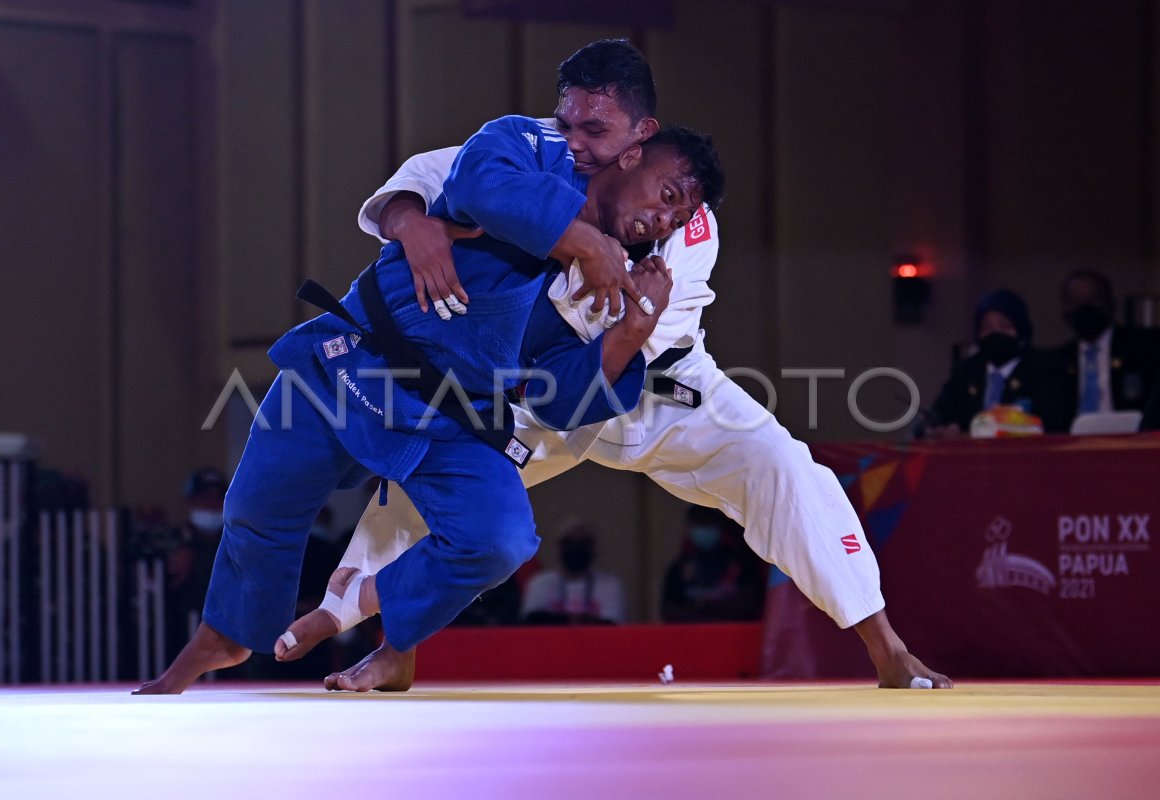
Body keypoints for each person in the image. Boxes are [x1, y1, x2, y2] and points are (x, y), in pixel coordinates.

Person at [285, 39, 951, 693]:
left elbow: (623, 349)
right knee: (424, 486)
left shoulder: (689, 229)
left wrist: (604, 278)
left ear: (637, 141)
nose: (576, 142)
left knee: (782, 464)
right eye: (568, 123)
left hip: (666, 395)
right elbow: (435, 176)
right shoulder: (546, 154)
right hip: (551, 392)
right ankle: (392, 646)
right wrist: (412, 222)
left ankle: (886, 646)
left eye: (595, 129)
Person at [133, 109, 722, 694]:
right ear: (632, 153)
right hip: (356, 357)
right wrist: (415, 220)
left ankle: (394, 632)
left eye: (677, 215)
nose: (660, 219)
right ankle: (227, 631)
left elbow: (563, 402)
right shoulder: (531, 156)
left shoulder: (616, 281)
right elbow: (469, 184)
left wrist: (632, 331)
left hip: (450, 416)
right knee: (259, 503)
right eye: (665, 194)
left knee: (500, 541)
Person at [920, 289, 1064, 436]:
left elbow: (1053, 424)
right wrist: (943, 429)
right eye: (986, 328)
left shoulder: (1044, 368)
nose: (995, 334)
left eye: (1005, 327)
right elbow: (938, 416)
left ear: (1021, 329)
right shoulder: (967, 370)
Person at [1049, 270, 1160, 431]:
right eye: (1076, 301)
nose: (1085, 307)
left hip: (1133, 442)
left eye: (1093, 299)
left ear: (1111, 303)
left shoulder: (1144, 347)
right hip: (1073, 446)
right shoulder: (1056, 362)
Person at [661, 506, 764, 623]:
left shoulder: (741, 562)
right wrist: (700, 617)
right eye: (699, 523)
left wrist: (717, 610)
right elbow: (668, 609)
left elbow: (752, 602)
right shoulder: (679, 568)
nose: (704, 528)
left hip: (733, 633)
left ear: (719, 525)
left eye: (707, 522)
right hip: (691, 634)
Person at [165, 468, 228, 656]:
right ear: (190, 502)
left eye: (218, 498)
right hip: (181, 640)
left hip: (228, 643)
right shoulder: (171, 542)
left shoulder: (236, 544)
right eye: (204, 498)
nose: (211, 505)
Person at [521, 520, 625, 624]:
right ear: (558, 546)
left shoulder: (609, 585)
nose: (576, 548)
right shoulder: (540, 583)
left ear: (594, 548)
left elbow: (611, 624)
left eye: (583, 543)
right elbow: (533, 621)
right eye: (569, 542)